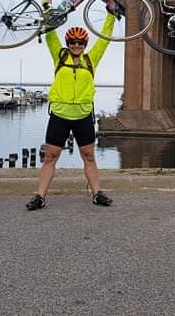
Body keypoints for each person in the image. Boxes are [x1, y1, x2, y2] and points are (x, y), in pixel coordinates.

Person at [26, 13, 116, 211]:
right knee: (50, 157)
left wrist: (111, 15)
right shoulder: (59, 56)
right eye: (73, 42)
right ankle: (39, 197)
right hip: (59, 115)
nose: (76, 45)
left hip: (83, 116)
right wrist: (47, 7)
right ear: (67, 43)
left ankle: (97, 194)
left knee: (89, 156)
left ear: (85, 44)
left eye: (80, 42)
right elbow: (50, 34)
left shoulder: (91, 59)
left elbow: (105, 39)